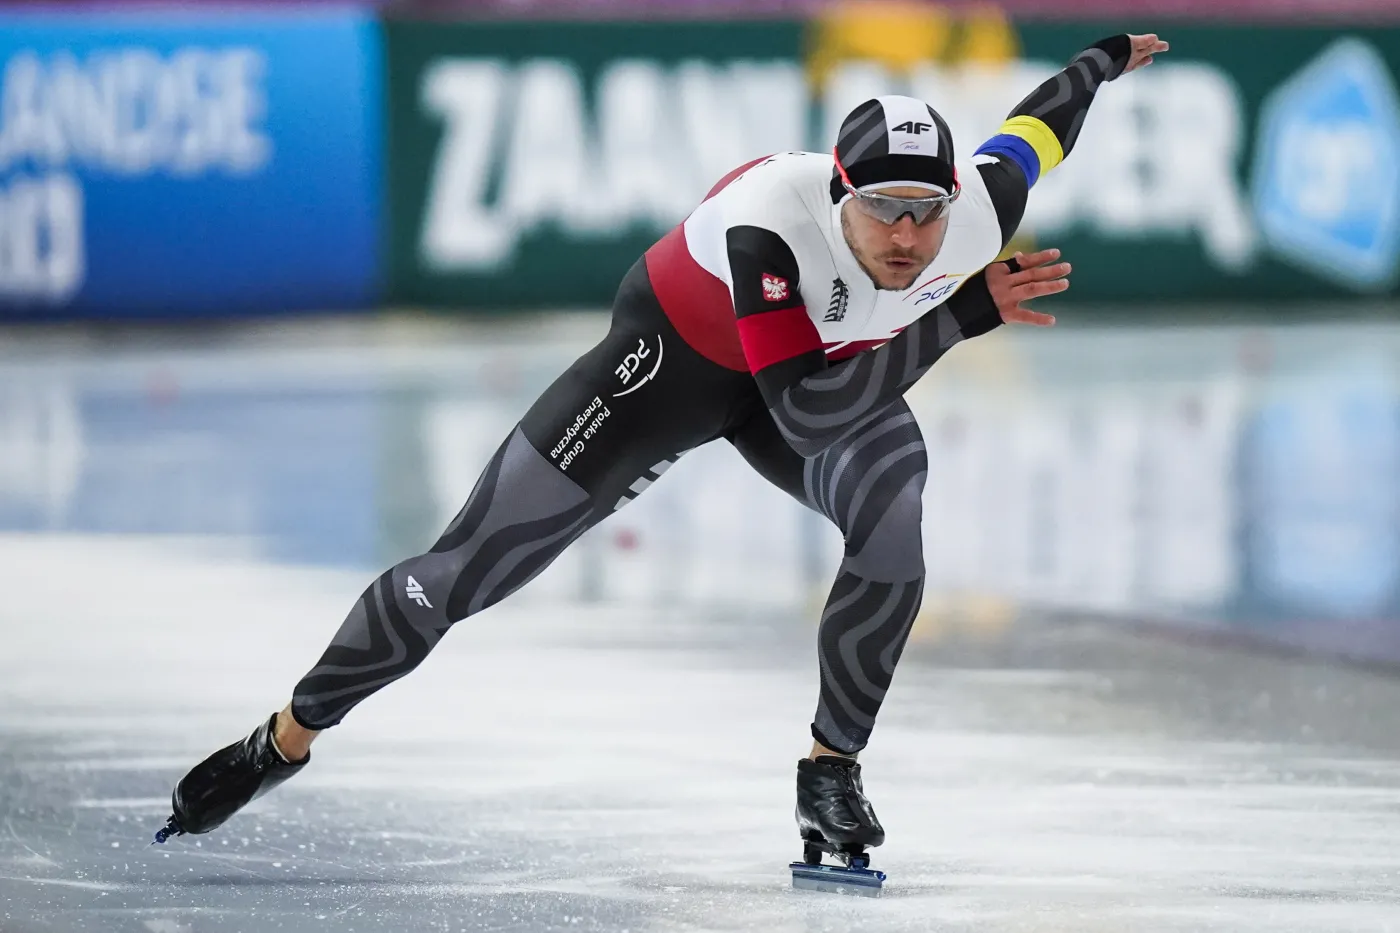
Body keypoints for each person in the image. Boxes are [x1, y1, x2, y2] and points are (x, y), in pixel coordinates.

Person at [158, 32, 1169, 876]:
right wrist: (958, 320)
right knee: (461, 578)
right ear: (837, 192)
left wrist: (1100, 61)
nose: (906, 236)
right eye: (880, 209)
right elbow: (806, 416)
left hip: (827, 374)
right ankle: (284, 736)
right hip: (668, 368)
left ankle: (830, 771)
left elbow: (1036, 129)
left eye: (925, 210)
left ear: (956, 200)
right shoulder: (772, 224)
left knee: (894, 517)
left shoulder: (979, 212)